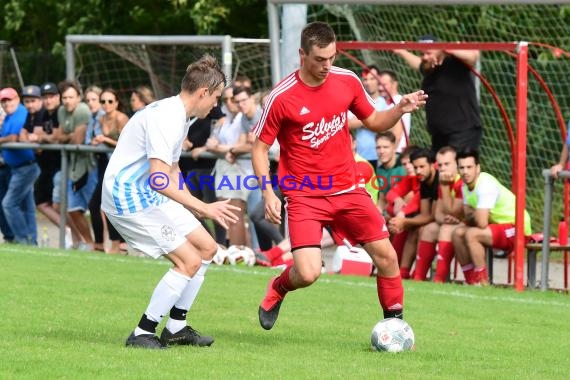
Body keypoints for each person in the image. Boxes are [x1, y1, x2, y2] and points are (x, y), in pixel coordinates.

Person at [251, 22, 426, 331]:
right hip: (304, 194)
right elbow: (260, 149)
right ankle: (278, 287)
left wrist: (399, 109)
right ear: (302, 54)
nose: (327, 66)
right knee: (307, 273)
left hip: (348, 189)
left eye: (332, 57)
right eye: (320, 59)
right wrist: (268, 193)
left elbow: (373, 121)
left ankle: (394, 327)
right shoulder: (282, 97)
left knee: (386, 256)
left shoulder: (346, 81)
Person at [101, 54, 240, 349]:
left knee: (207, 247)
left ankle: (176, 327)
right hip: (128, 198)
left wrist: (191, 204)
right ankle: (142, 332)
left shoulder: (179, 115)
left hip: (146, 193)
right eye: (215, 97)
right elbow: (158, 179)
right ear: (203, 92)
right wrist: (204, 207)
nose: (216, 104)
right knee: (188, 260)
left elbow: (172, 170)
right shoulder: (167, 117)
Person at [452, 149, 531, 285]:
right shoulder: (465, 186)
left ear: (478, 168)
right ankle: (471, 281)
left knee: (472, 234)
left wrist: (474, 214)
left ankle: (482, 282)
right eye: (462, 167)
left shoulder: (485, 184)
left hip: (517, 227)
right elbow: (468, 217)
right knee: (457, 233)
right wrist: (475, 214)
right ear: (458, 169)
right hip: (499, 227)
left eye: (469, 167)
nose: (465, 172)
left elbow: (481, 222)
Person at [394, 35, 481, 153]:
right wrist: (401, 51)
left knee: (458, 168)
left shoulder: (455, 62)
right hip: (439, 134)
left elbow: (473, 56)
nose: (425, 57)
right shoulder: (429, 67)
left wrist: (446, 48)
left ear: (439, 49)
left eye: (428, 53)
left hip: (462, 132)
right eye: (422, 53)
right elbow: (418, 64)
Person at [412, 146, 463, 282]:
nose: (443, 168)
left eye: (447, 164)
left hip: (473, 224)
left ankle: (439, 280)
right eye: (440, 165)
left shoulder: (461, 181)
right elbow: (438, 214)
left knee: (445, 229)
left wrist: (445, 187)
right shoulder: (443, 183)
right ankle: (418, 277)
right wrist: (446, 218)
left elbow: (454, 211)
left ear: (457, 164)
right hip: (455, 223)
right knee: (429, 229)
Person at [57, 80, 97, 250]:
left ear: (78, 97)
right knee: (72, 208)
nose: (67, 101)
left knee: (96, 208)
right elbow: (60, 137)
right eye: (64, 97)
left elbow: (78, 140)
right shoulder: (61, 111)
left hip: (90, 166)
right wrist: (68, 136)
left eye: (71, 97)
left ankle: (106, 244)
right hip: (72, 167)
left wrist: (68, 136)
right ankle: (90, 243)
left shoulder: (82, 110)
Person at [388, 148, 438, 279]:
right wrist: (401, 218)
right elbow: (391, 194)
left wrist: (403, 218)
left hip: (445, 220)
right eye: (416, 167)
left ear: (432, 165)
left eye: (422, 166)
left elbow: (431, 216)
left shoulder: (439, 179)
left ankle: (420, 275)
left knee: (423, 230)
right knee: (410, 228)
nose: (418, 171)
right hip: (434, 218)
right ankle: (402, 272)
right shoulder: (423, 180)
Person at [0, 87, 40, 245]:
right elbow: (9, 137)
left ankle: (23, 239)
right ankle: (31, 241)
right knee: (27, 206)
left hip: (26, 167)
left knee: (9, 204)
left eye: (8, 99)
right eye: (3, 101)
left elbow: (15, 137)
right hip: (16, 168)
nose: (6, 103)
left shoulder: (21, 112)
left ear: (17, 99)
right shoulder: (9, 116)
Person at [348, 65, 388, 169]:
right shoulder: (356, 101)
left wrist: (361, 119)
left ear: (378, 80)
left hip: (378, 155)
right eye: (365, 79)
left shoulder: (382, 102)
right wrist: (370, 119)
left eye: (372, 79)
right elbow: (349, 124)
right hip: (358, 155)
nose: (368, 82)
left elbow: (381, 126)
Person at [378, 69, 411, 153]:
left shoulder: (397, 102)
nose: (380, 88)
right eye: (379, 84)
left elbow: (397, 133)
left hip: (395, 152)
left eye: (384, 84)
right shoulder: (388, 104)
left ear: (395, 84)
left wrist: (390, 154)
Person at [375, 131, 406, 211]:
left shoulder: (404, 166)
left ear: (394, 147)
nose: (381, 151)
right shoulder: (379, 169)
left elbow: (410, 197)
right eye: (378, 147)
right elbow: (382, 199)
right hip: (390, 211)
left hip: (405, 210)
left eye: (386, 147)